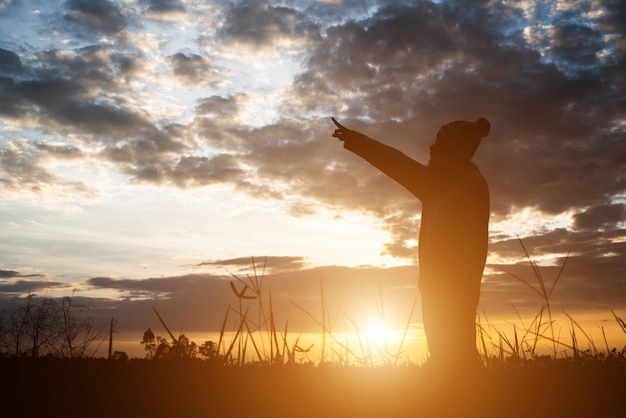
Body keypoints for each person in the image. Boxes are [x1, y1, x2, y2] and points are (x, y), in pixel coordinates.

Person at [331, 116, 490, 372]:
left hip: (457, 287)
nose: (431, 149)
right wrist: (356, 140)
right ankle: (448, 384)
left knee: (458, 354)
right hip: (435, 283)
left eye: (439, 145)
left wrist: (464, 285)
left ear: (454, 151)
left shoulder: (467, 187)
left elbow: (475, 245)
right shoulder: (437, 184)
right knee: (442, 351)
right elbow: (396, 162)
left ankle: (466, 393)